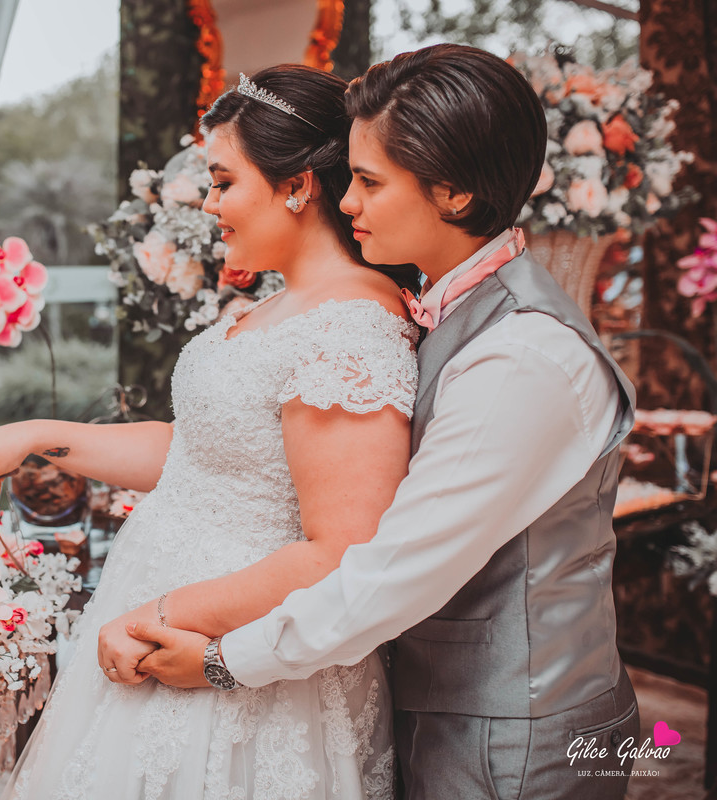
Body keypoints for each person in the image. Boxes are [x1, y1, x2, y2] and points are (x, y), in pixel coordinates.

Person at [126, 44, 639, 800]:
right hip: (453, 709)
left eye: (368, 182)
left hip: (516, 737)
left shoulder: (521, 355)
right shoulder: (447, 310)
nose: (346, 202)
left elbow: (396, 572)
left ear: (454, 193)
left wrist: (224, 660)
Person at [0, 64, 421, 799]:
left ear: (297, 185)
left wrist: (160, 615)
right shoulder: (282, 304)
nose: (209, 203)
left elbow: (340, 553)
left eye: (223, 182)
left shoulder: (350, 328)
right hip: (172, 617)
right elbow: (200, 454)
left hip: (238, 650)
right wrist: (36, 435)